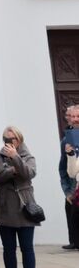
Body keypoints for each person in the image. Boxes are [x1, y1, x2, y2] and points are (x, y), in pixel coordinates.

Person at [0, 126, 40, 268]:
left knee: (27, 248)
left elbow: (29, 173)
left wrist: (16, 158)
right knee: (8, 249)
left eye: (13, 139)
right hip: (5, 206)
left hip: (24, 206)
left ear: (19, 140)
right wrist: (12, 170)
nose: (10, 142)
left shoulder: (28, 157)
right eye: (6, 138)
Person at [60, 103, 79, 251]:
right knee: (71, 212)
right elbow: (64, 167)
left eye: (78, 116)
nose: (75, 119)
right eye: (72, 116)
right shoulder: (66, 140)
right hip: (74, 184)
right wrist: (67, 190)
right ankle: (74, 241)